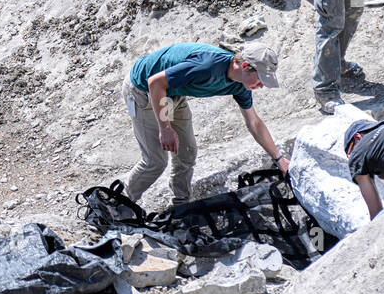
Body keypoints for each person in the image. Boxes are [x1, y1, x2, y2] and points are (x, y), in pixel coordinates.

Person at [123, 41, 290, 207]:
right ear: (246, 66)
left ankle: (180, 206)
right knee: (156, 161)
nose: (261, 86)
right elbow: (155, 82)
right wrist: (165, 128)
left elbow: (254, 122)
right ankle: (120, 203)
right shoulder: (207, 66)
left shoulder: (241, 85)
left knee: (187, 153)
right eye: (261, 79)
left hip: (173, 92)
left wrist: (279, 159)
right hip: (143, 90)